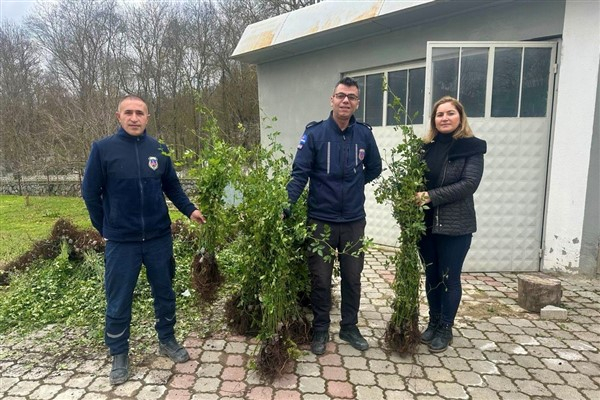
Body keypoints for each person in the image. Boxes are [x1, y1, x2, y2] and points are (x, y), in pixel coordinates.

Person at [81, 95, 206, 385]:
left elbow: (172, 185)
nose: (134, 117)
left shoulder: (159, 149)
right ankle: (119, 354)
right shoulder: (103, 150)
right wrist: (106, 228)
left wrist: (190, 210)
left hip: (158, 238)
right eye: (129, 113)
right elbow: (90, 193)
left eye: (140, 113)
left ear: (147, 118)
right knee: (118, 299)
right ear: (119, 116)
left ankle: (167, 339)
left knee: (164, 292)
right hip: (121, 243)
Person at [286, 77, 382, 355]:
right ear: (332, 99)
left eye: (351, 97)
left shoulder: (364, 134)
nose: (345, 101)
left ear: (357, 103)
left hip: (353, 221)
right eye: (341, 96)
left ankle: (349, 327)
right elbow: (299, 175)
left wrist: (352, 184)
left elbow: (374, 168)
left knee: (353, 278)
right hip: (321, 221)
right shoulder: (315, 134)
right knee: (320, 279)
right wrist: (285, 206)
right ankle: (320, 328)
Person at [416, 96, 487, 353]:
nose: (444, 118)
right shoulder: (425, 147)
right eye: (439, 114)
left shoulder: (471, 147)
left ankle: (446, 327)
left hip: (456, 225)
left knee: (449, 277)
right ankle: (433, 322)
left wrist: (429, 196)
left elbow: (469, 184)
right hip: (426, 226)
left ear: (460, 117)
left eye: (450, 113)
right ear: (434, 120)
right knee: (432, 275)